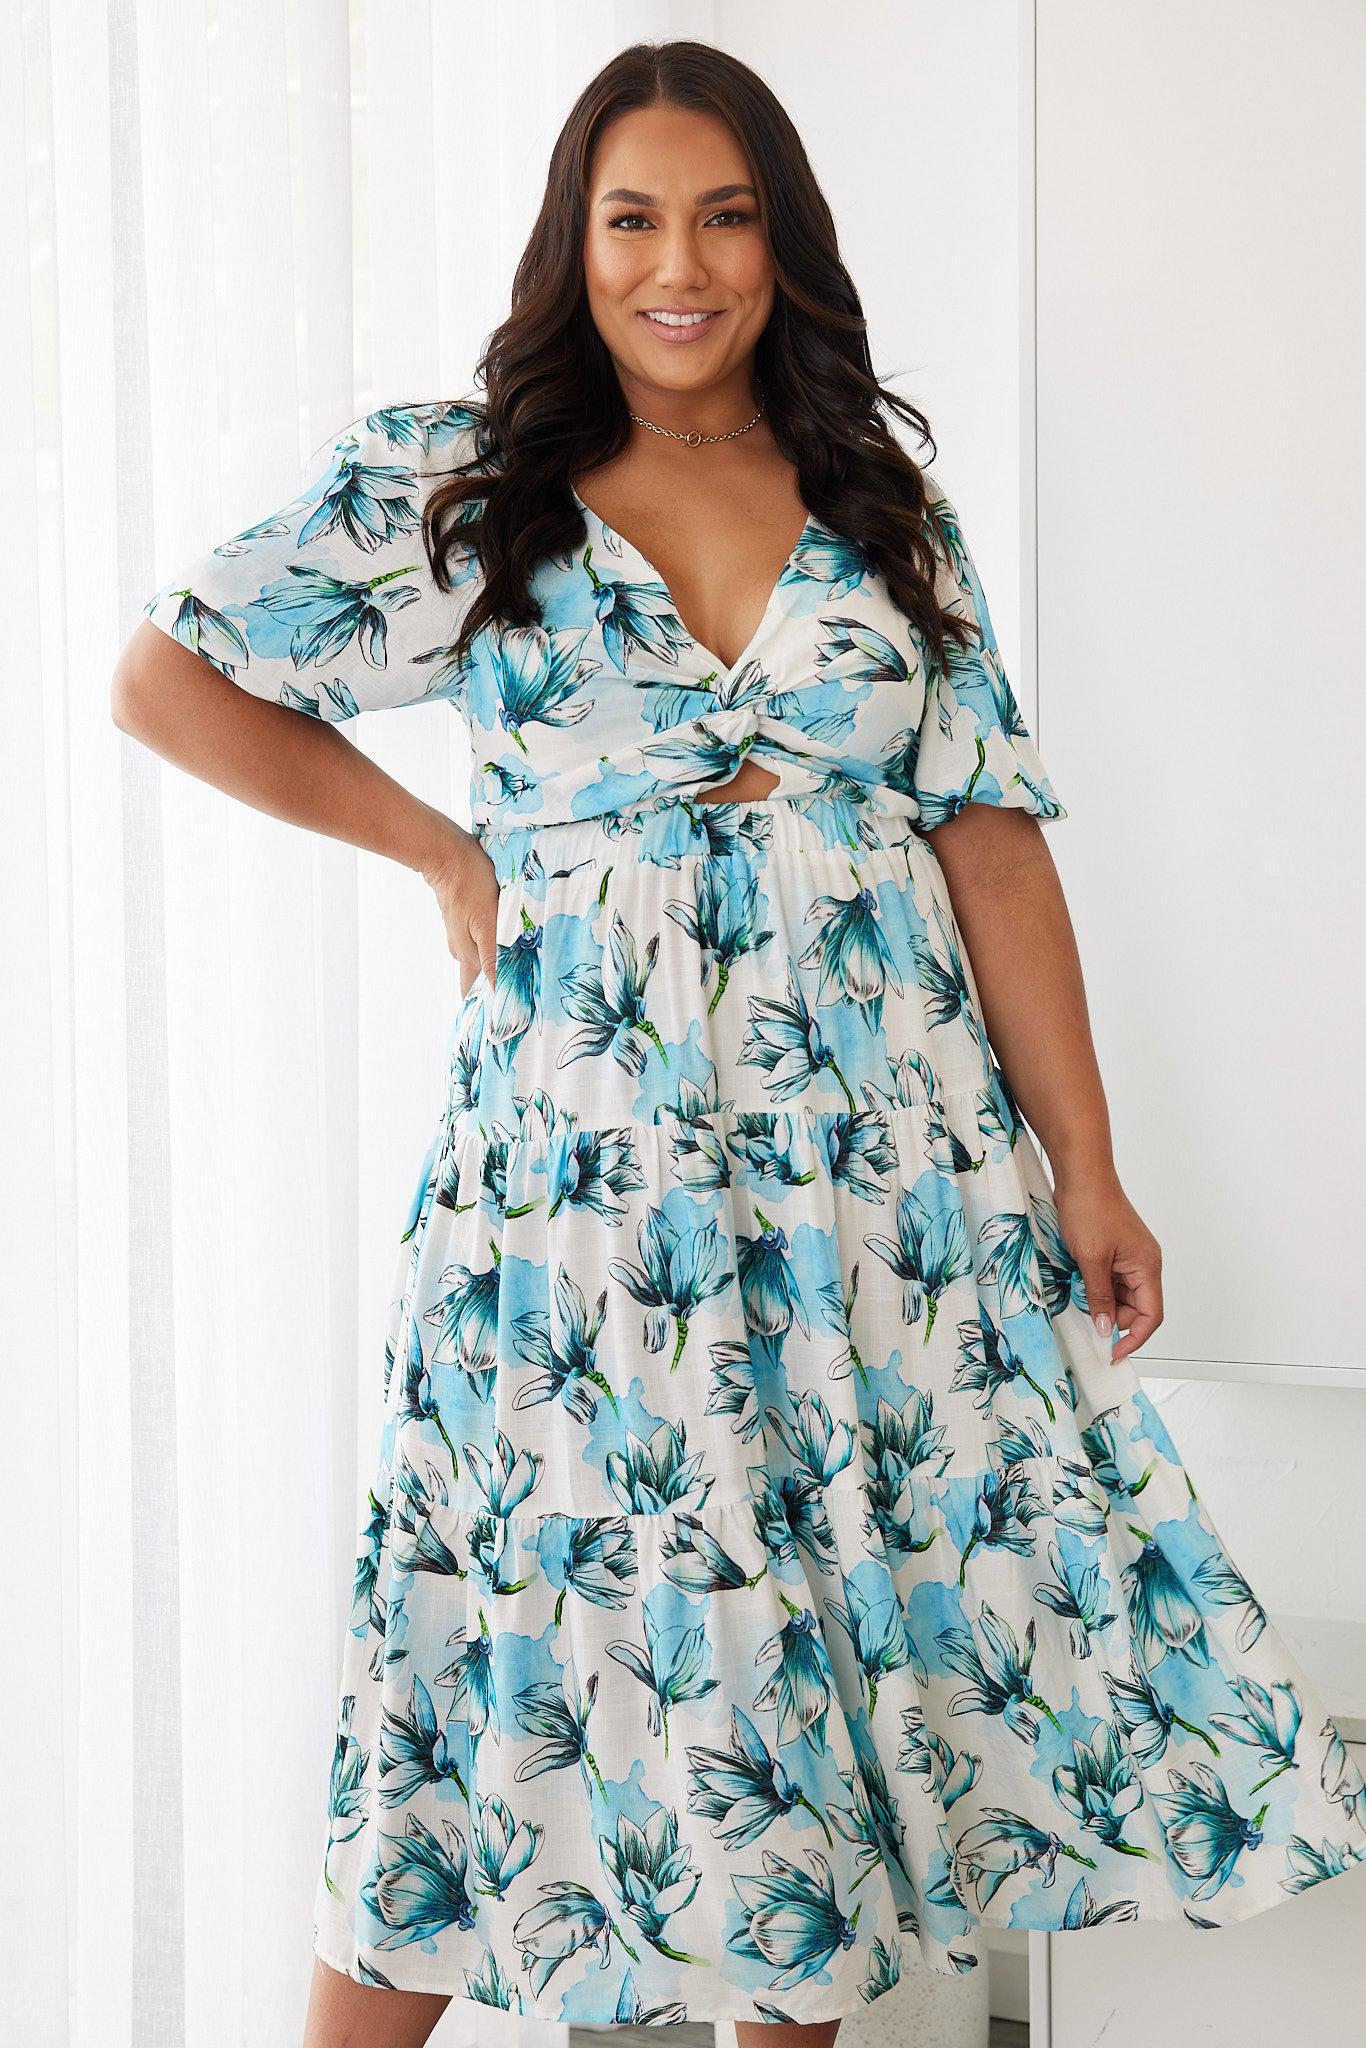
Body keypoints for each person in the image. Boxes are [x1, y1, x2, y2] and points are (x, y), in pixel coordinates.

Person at [112, 37, 1366, 2048]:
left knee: (815, 1655)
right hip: (582, 1178)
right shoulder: (467, 482)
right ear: (574, 242)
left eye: (723, 216)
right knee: (512, 1629)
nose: (677, 265)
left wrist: (1089, 1166)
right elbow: (173, 679)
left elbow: (988, 839)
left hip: (876, 1171)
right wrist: (442, 852)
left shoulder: (878, 505)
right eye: (632, 220)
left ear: (782, 243)